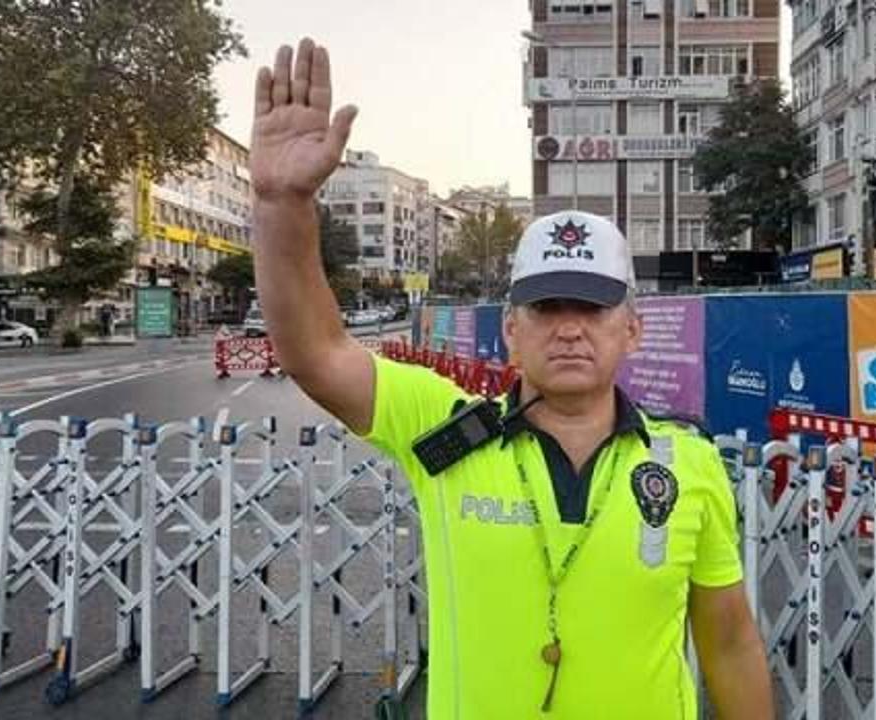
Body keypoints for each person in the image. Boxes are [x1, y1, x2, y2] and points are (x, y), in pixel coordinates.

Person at [249, 38, 774, 719]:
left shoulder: (689, 463)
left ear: (632, 329)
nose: (569, 328)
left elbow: (729, 644)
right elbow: (316, 352)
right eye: (547, 307)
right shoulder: (444, 429)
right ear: (511, 330)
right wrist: (281, 204)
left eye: (592, 307)